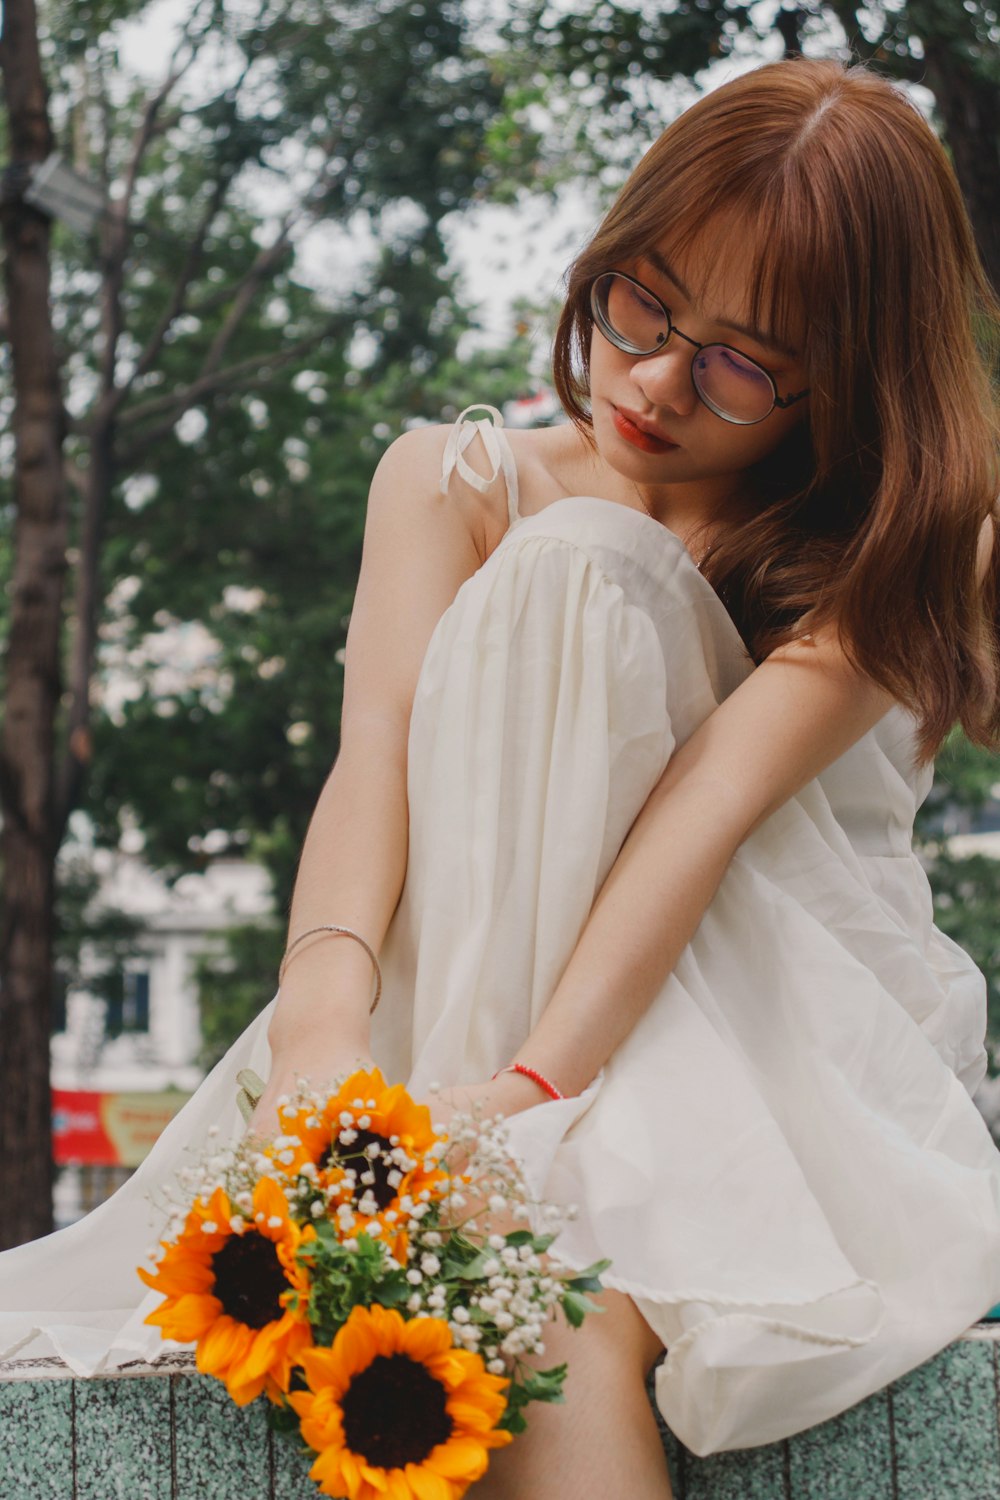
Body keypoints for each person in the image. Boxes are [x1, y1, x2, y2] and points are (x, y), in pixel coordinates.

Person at [0, 54, 998, 1500]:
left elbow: (703, 819)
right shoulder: (451, 479)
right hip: (453, 1016)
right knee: (526, 1284)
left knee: (544, 1280)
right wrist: (319, 1047)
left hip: (769, 1033)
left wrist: (527, 1094)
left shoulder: (899, 545)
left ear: (847, 381)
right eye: (644, 301)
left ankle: (497, 1147)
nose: (654, 380)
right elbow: (376, 768)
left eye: (738, 360)